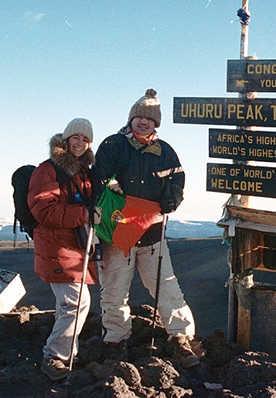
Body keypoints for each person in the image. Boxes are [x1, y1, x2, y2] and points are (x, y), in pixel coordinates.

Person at [92, 89, 201, 368]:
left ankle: (181, 339)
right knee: (114, 291)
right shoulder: (113, 144)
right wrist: (105, 194)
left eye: (149, 119)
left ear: (156, 124)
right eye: (139, 117)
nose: (143, 122)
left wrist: (173, 198)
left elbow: (177, 178)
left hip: (151, 232)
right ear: (131, 119)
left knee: (166, 289)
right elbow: (98, 176)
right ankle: (115, 342)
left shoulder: (165, 151)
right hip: (116, 232)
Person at [28, 118, 100, 380]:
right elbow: (43, 208)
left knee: (67, 304)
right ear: (66, 140)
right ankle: (54, 356)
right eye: (76, 138)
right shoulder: (47, 170)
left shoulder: (83, 172)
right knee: (77, 302)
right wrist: (85, 214)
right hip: (56, 246)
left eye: (85, 139)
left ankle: (68, 356)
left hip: (75, 248)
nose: (80, 143)